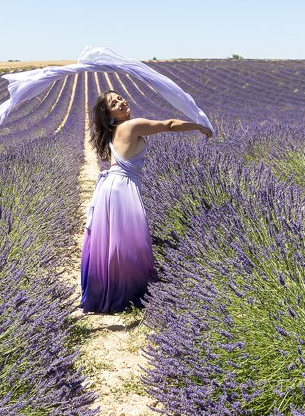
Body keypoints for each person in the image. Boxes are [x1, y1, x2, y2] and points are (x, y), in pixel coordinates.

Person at [81, 89, 213, 313]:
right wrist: (199, 126)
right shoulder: (131, 126)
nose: (122, 102)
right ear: (109, 113)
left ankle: (109, 290)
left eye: (121, 97)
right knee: (131, 241)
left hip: (111, 187)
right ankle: (128, 293)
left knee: (116, 242)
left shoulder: (116, 130)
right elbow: (169, 124)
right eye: (115, 103)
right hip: (121, 188)